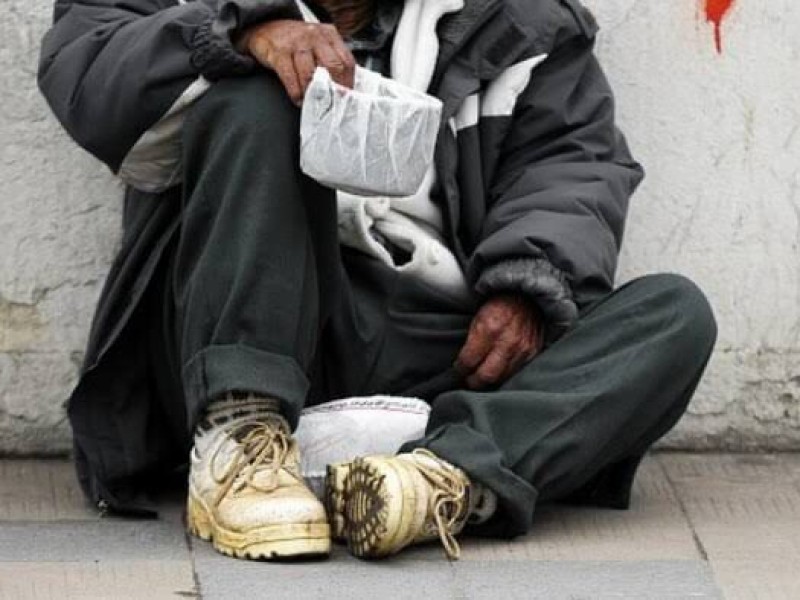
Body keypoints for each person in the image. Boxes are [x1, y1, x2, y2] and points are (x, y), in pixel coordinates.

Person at [38, 0, 717, 562]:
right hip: (240, 318)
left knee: (674, 316)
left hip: (438, 356)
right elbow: (86, 62)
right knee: (254, 99)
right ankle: (240, 440)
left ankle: (436, 480)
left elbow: (572, 164)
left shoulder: (516, 20)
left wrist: (526, 283)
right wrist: (242, 33)